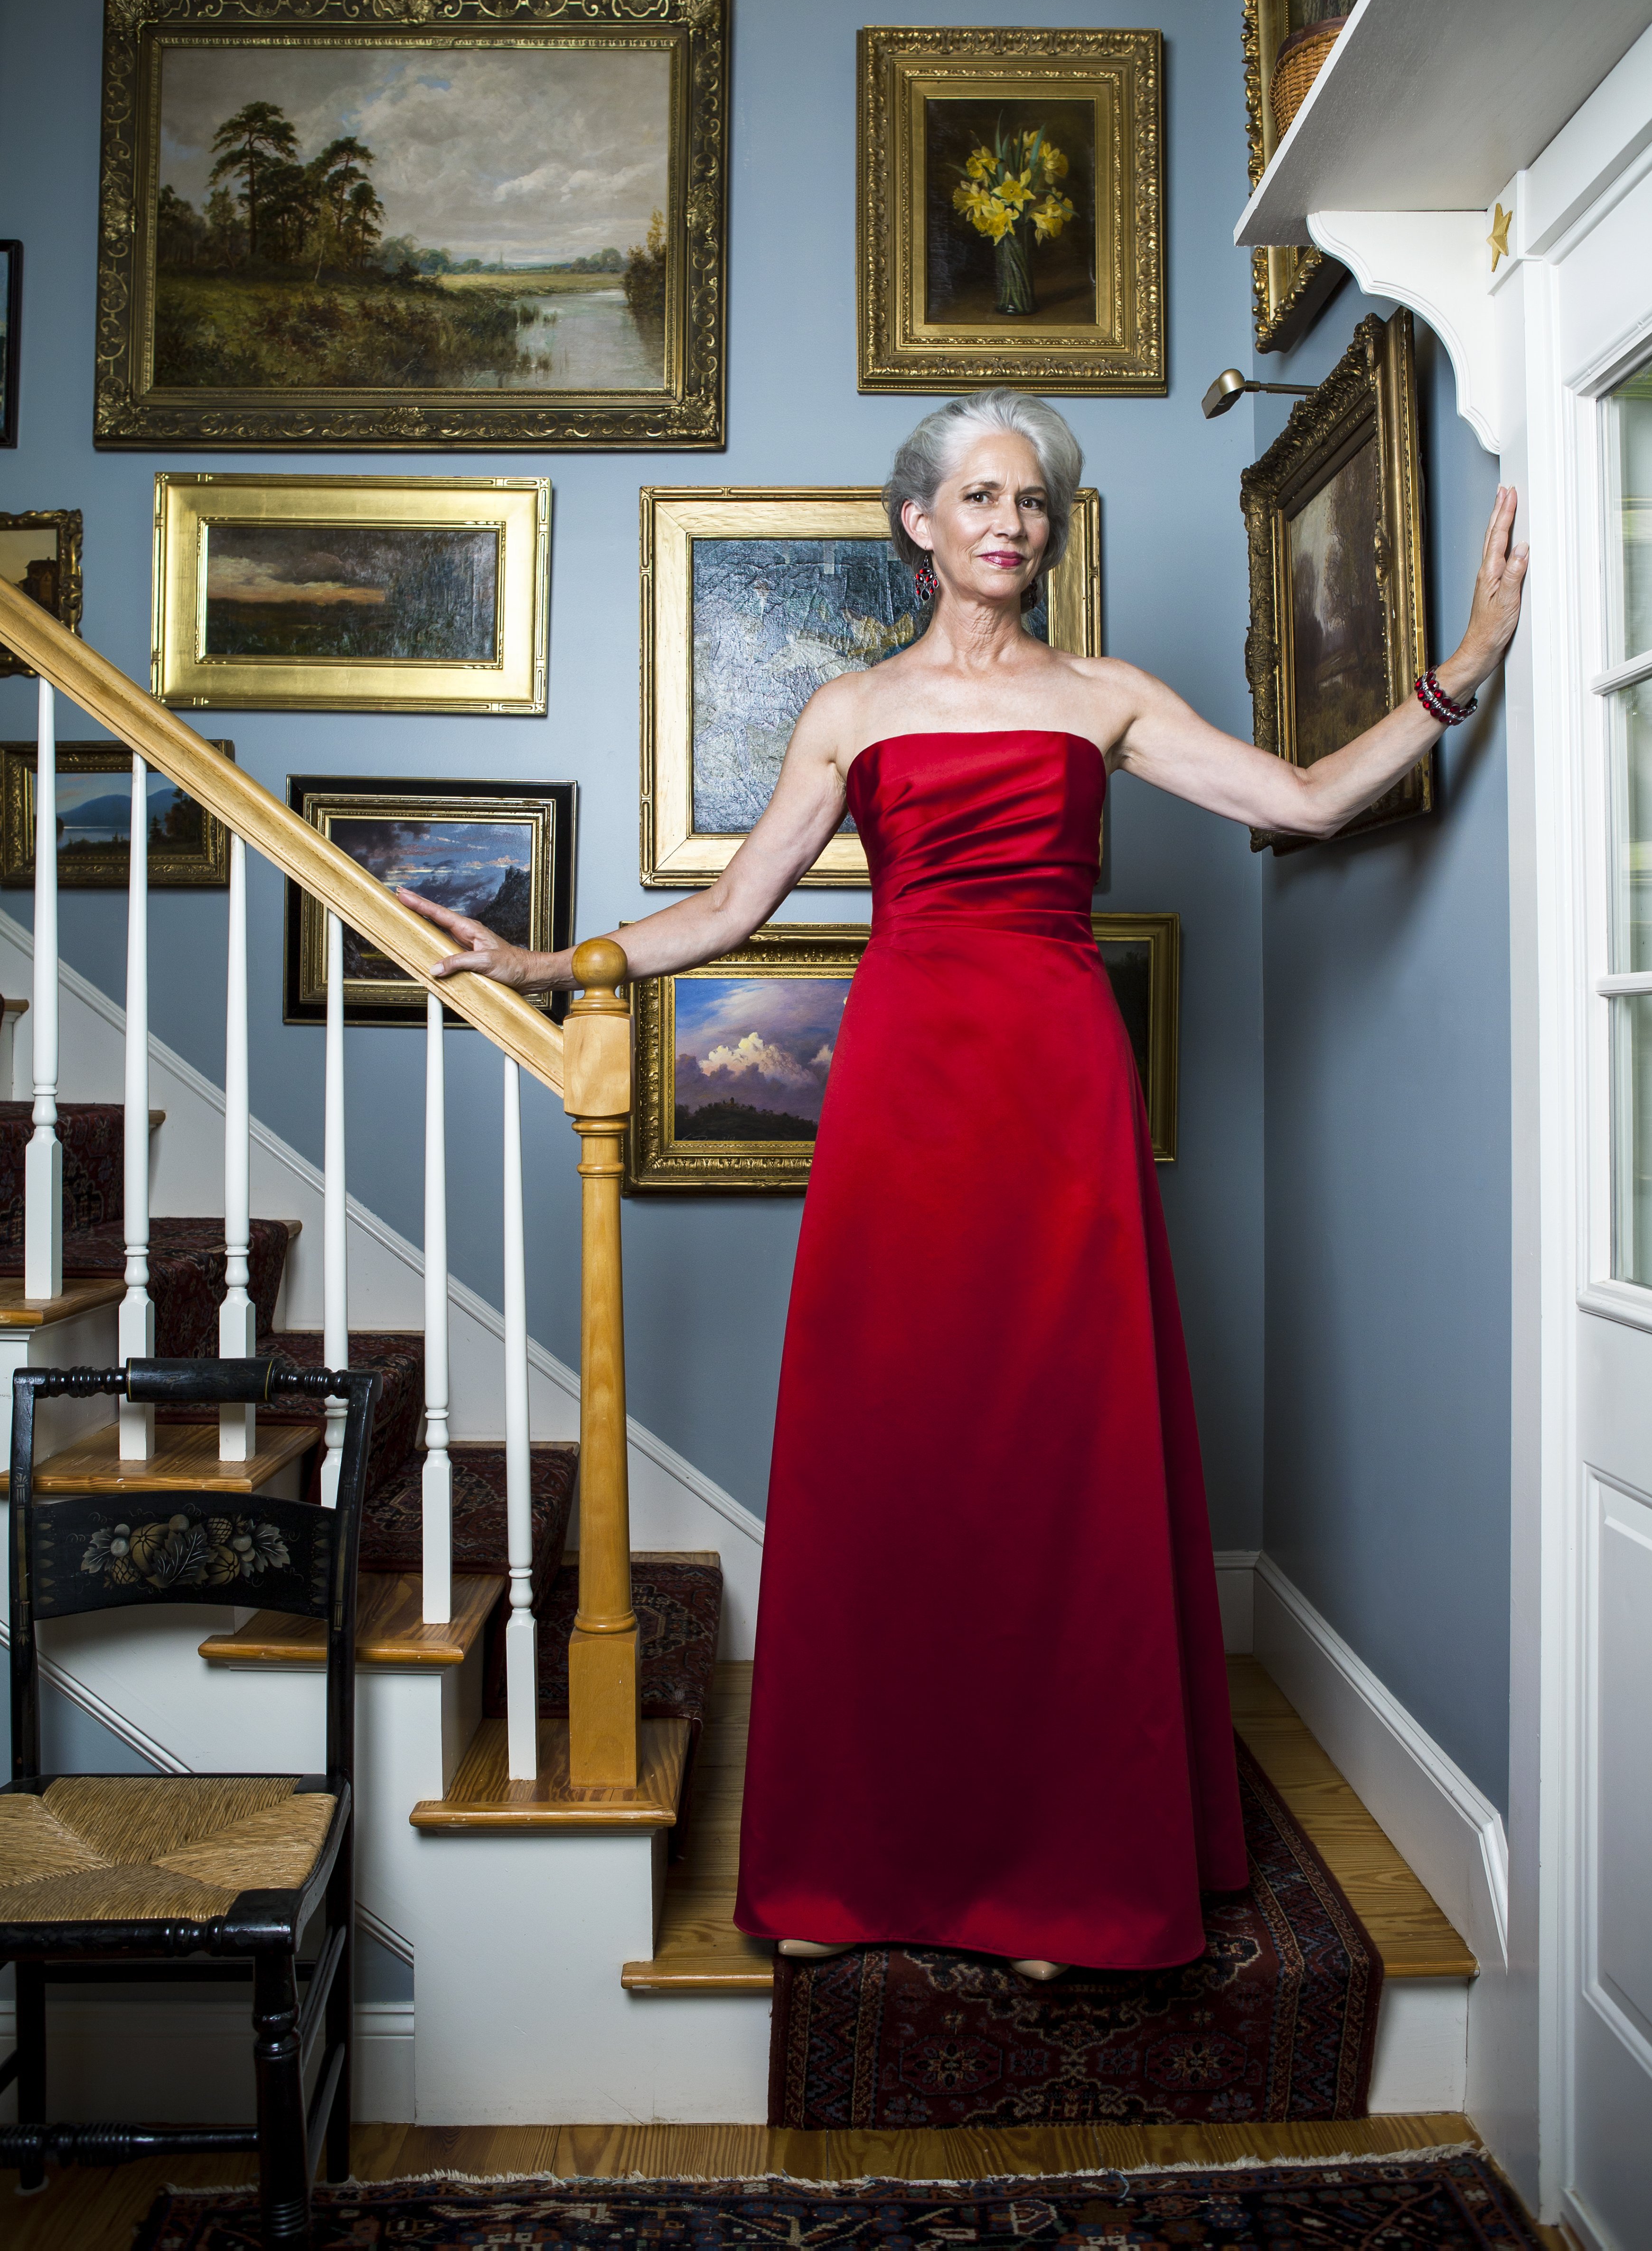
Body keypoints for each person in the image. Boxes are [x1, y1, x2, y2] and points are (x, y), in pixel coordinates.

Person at [400, 389, 1527, 1978]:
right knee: (897, 1451)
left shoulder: (1110, 695)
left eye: (1037, 501)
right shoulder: (849, 712)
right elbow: (725, 911)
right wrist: (546, 955)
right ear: (918, 524)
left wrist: (1460, 669)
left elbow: (1304, 799)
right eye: (980, 495)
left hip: (1059, 1091)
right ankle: (851, 1867)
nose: (1012, 520)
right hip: (903, 1101)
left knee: (1055, 1464)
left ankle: (1064, 1869)